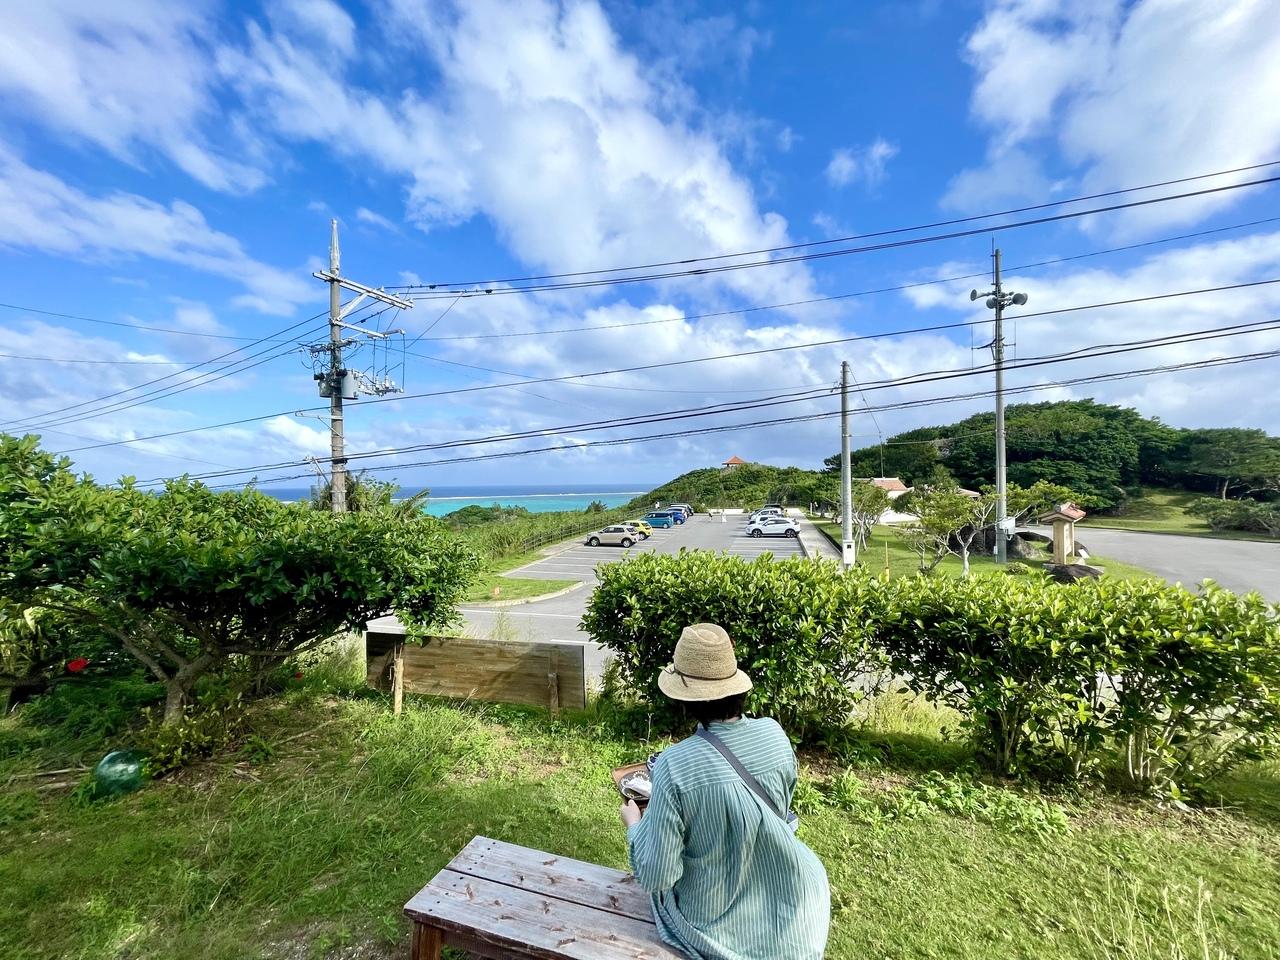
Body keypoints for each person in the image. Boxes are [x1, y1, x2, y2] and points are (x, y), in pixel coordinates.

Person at [621, 623, 831, 959]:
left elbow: (658, 875)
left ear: (685, 699)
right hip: (797, 908)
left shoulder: (675, 764)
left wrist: (635, 825)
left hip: (716, 923)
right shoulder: (775, 734)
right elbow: (778, 811)